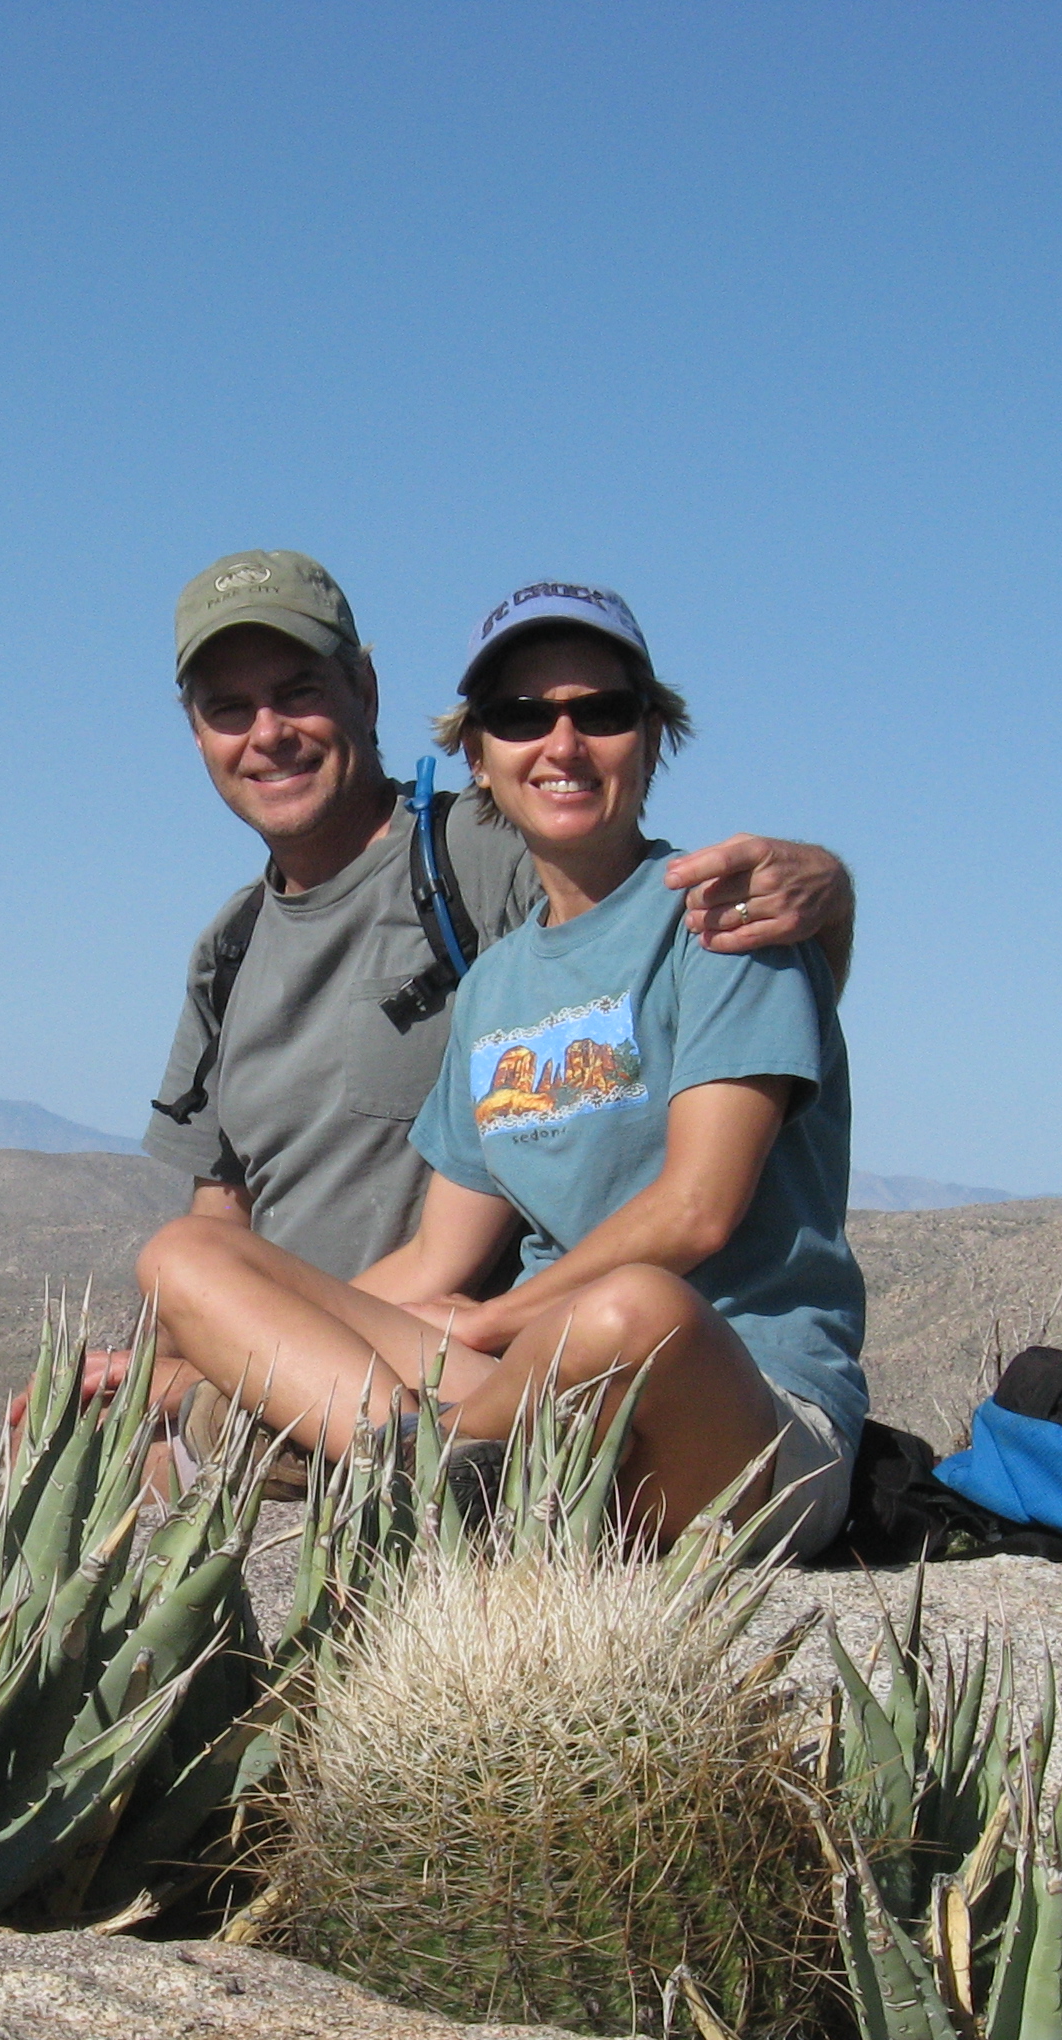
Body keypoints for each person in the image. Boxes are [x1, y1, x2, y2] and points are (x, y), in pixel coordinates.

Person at [134, 582, 864, 1553]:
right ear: (477, 753)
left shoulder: (722, 921)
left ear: (652, 737)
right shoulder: (496, 987)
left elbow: (698, 1211)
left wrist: (498, 1321)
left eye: (601, 713)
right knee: (183, 1256)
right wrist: (227, 1342)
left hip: (731, 1397)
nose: (562, 745)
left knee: (633, 1311)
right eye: (521, 717)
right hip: (527, 1390)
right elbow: (435, 1259)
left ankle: (386, 1456)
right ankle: (417, 1459)